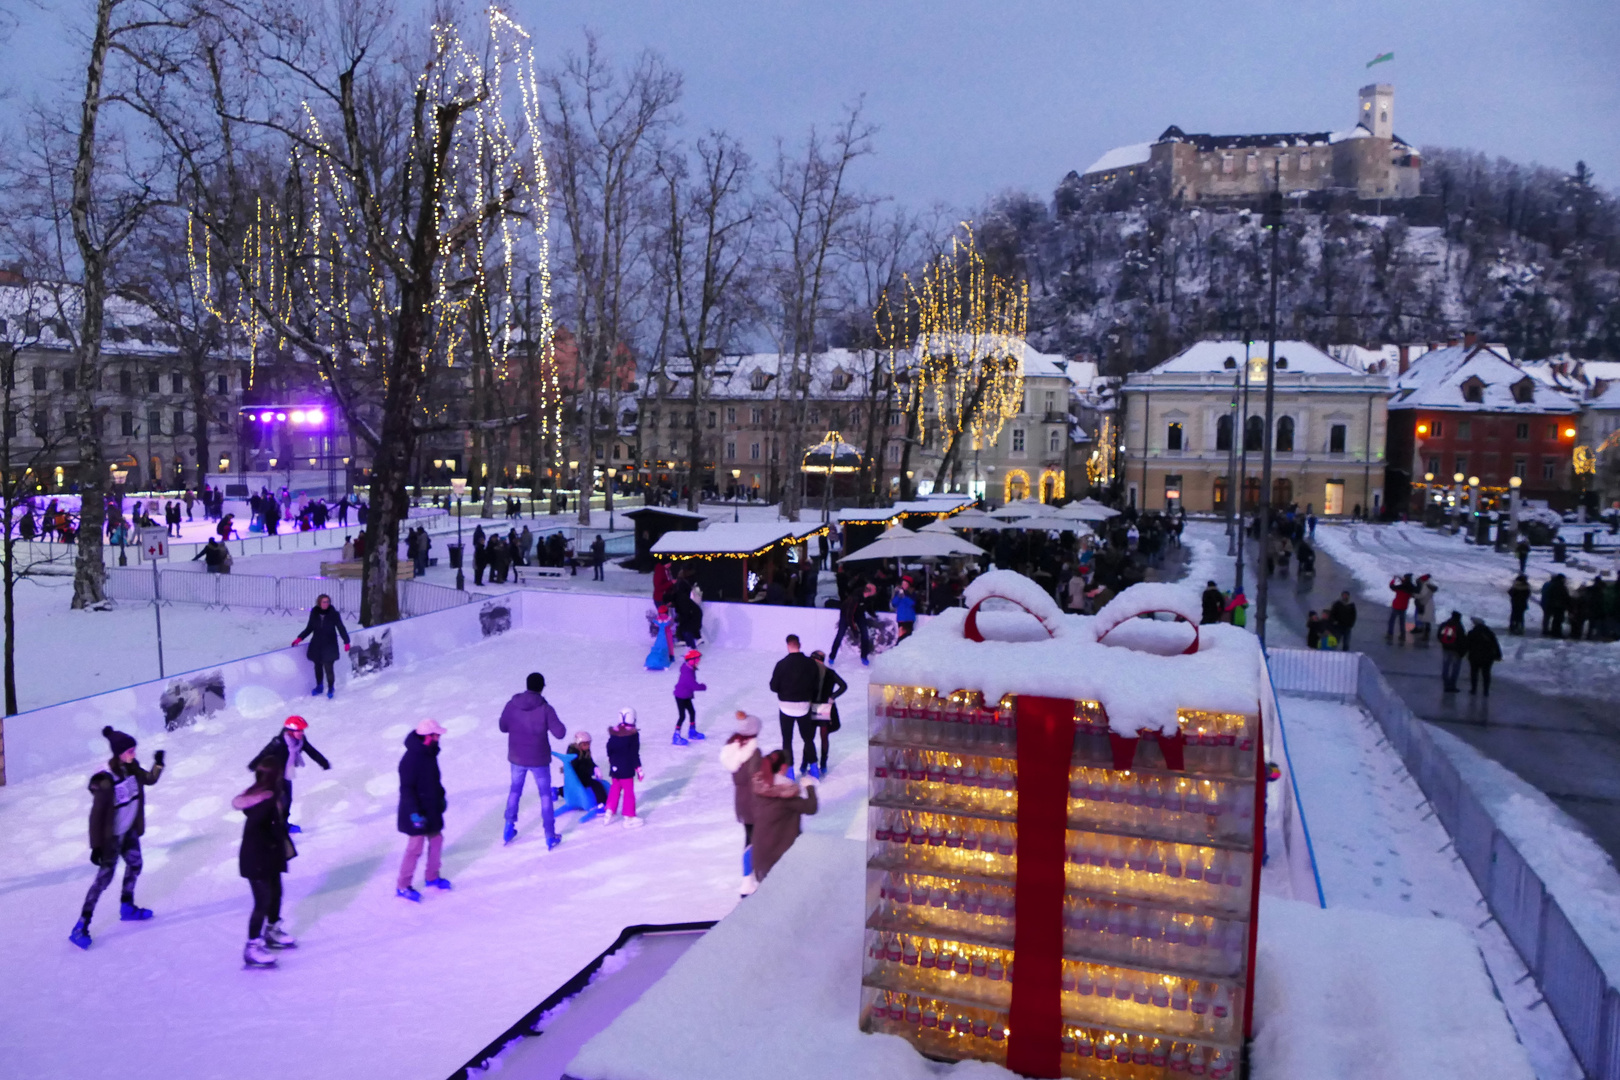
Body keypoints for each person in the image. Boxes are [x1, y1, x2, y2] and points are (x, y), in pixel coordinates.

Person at [71, 727, 166, 949]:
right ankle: (81, 925)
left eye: (134, 750)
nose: (132, 754)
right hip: (111, 839)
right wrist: (97, 847)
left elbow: (149, 779)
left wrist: (158, 764)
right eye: (129, 751)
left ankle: (127, 906)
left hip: (129, 831)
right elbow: (96, 817)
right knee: (103, 880)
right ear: (118, 753)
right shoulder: (106, 780)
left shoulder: (131, 768)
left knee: (135, 864)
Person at [234, 757, 297, 969]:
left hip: (271, 855)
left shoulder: (272, 795)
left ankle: (271, 931)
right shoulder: (263, 801)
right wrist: (275, 834)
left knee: (276, 893)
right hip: (257, 858)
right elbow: (256, 829)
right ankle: (252, 947)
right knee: (262, 901)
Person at [499, 672, 566, 848]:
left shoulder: (512, 705)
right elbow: (560, 733)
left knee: (515, 791)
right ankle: (550, 835)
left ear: (527, 685)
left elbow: (502, 727)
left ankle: (508, 827)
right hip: (539, 759)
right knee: (545, 796)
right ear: (542, 687)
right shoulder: (545, 709)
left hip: (517, 757)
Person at [397, 718, 452, 901]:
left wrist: (441, 796)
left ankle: (432, 877)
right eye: (436, 735)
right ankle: (403, 886)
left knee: (436, 841)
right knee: (415, 848)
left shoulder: (430, 754)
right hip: (416, 812)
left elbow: (434, 780)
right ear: (427, 737)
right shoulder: (410, 759)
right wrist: (414, 812)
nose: (439, 738)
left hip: (431, 808)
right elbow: (406, 788)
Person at [251, 715, 331, 833]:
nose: (301, 733)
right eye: (299, 730)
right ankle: (273, 828)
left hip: (286, 774)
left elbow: (311, 751)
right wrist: (253, 765)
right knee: (278, 802)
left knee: (287, 800)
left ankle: (283, 825)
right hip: (272, 774)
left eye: (302, 730)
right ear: (290, 731)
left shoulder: (300, 741)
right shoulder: (278, 742)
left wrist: (323, 762)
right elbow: (264, 753)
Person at [750, 749, 818, 882]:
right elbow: (811, 807)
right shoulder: (786, 795)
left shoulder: (758, 789)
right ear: (783, 767)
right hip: (779, 859)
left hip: (760, 855)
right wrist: (810, 787)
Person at [720, 713, 763, 896]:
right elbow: (755, 778)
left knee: (750, 837)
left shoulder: (733, 749)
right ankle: (748, 880)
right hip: (754, 801)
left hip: (741, 800)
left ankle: (750, 878)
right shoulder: (753, 753)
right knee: (753, 840)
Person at [769, 634, 820, 780]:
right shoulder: (810, 664)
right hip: (804, 706)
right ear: (800, 645)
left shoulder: (781, 664)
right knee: (808, 738)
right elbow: (816, 686)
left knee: (787, 739)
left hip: (785, 707)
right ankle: (814, 769)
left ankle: (790, 772)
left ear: (787, 645)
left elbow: (773, 687)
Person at [291, 594, 351, 699]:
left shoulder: (334, 614)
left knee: (328, 667)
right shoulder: (314, 613)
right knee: (317, 667)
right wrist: (299, 638)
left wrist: (346, 641)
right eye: (324, 602)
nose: (326, 604)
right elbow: (309, 628)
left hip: (330, 645)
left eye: (327, 602)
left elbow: (341, 628)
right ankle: (319, 686)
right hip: (317, 645)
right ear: (319, 603)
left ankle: (331, 687)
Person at [807, 649, 848, 779]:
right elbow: (843, 685)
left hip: (818, 706)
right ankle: (819, 764)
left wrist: (833, 696)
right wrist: (832, 696)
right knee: (817, 737)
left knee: (813, 737)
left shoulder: (819, 672)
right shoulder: (827, 672)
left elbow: (843, 685)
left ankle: (818, 764)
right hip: (821, 705)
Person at [603, 708, 644, 828]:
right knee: (628, 792)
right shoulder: (633, 735)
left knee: (615, 789)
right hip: (626, 768)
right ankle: (629, 817)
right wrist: (639, 769)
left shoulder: (614, 733)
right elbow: (634, 753)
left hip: (615, 768)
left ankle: (609, 811)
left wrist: (612, 760)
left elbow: (609, 747)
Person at [565, 731, 609, 811]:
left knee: (597, 784)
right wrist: (590, 769)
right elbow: (575, 767)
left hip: (584, 777)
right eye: (585, 744)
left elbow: (589, 763)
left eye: (588, 744)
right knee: (596, 785)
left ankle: (558, 790)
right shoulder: (573, 753)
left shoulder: (586, 752)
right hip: (577, 778)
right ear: (579, 744)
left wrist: (595, 768)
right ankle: (602, 803)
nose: (587, 746)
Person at [672, 649, 707, 745]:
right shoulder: (688, 672)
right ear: (692, 661)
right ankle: (676, 736)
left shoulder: (689, 668)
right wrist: (702, 687)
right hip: (680, 696)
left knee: (692, 712)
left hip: (686, 695)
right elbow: (693, 685)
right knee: (682, 716)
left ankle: (692, 732)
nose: (699, 662)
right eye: (698, 660)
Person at [1466, 617, 1503, 696]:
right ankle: (1486, 690)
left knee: (1474, 673)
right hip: (1488, 657)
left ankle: (1474, 689)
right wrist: (1498, 655)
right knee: (1486, 674)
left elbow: (1467, 645)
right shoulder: (1489, 633)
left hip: (1474, 657)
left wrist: (1464, 653)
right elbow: (1495, 644)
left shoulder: (1472, 633)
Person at [1437, 610, 1467, 693]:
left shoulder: (1445, 624)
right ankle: (1452, 685)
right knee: (1455, 668)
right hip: (1455, 650)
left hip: (1446, 648)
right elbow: (1462, 640)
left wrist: (1444, 644)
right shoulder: (1459, 626)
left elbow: (1439, 635)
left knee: (1445, 667)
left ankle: (1446, 685)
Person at [1386, 574, 1416, 643]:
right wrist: (1401, 579)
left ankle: (1390, 634)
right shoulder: (1411, 588)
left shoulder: (1400, 587)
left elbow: (1392, 587)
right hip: (1404, 607)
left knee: (1392, 621)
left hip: (1396, 606)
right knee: (1402, 622)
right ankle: (1402, 635)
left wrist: (1393, 580)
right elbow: (1413, 592)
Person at [645, 604, 676, 670]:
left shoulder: (668, 618)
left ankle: (671, 656)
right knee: (660, 643)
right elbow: (656, 624)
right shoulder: (658, 618)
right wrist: (656, 622)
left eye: (663, 613)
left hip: (668, 633)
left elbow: (671, 623)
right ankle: (660, 655)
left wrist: (668, 622)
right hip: (661, 633)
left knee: (669, 644)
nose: (662, 615)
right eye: (661, 613)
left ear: (666, 613)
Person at [1410, 575, 1438, 646]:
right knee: (1427, 621)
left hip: (1425, 605)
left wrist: (1413, 595)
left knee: (1426, 621)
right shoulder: (1429, 585)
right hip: (1428, 604)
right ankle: (1425, 635)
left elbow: (1422, 595)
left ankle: (1426, 636)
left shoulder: (1425, 586)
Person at [1541, 573, 1570, 638]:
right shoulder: (1560, 586)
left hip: (1553, 605)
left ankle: (1552, 631)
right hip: (1559, 605)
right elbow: (1565, 596)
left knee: (1554, 619)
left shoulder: (1552, 585)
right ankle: (1556, 632)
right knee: (1558, 620)